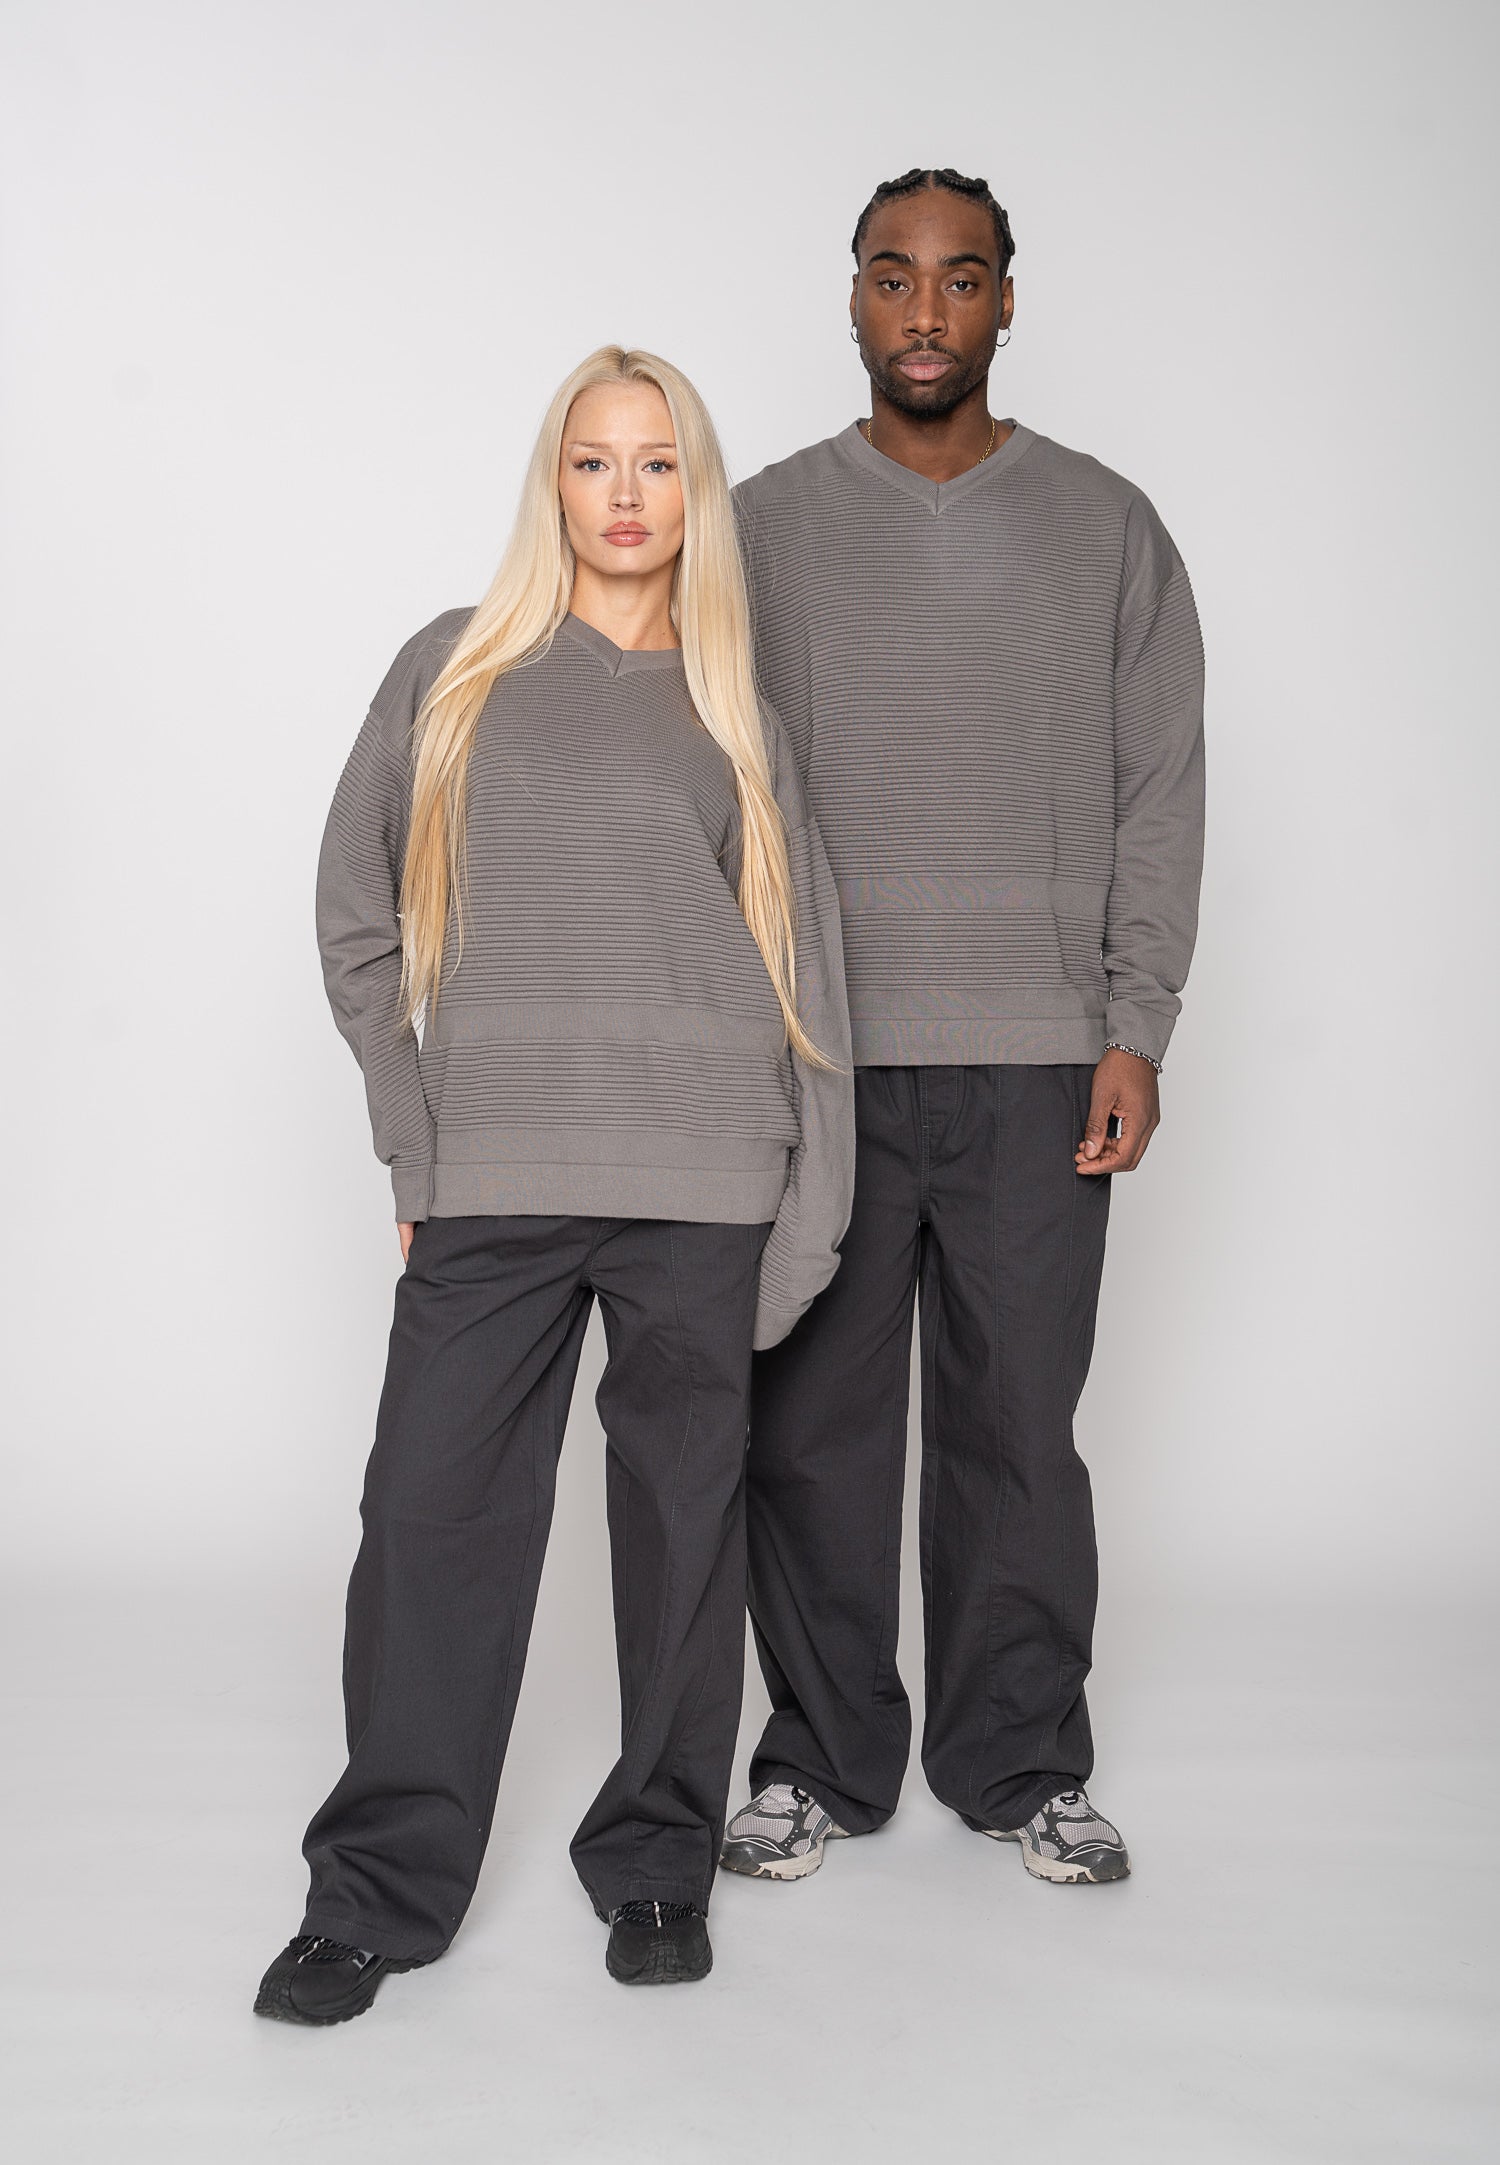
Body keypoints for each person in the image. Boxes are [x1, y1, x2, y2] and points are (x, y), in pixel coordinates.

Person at [254, 346, 853, 2024]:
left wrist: (809, 1217)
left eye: (658, 463)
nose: (626, 494)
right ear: (555, 482)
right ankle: (375, 1891)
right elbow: (355, 912)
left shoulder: (737, 712)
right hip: (496, 1169)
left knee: (681, 1532)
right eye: (595, 461)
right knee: (427, 1518)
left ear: (695, 490)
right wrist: (414, 1133)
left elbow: (808, 978)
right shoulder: (454, 667)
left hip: (705, 1178)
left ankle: (658, 1860)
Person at [721, 169, 1205, 1888]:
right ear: (851, 297)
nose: (925, 310)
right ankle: (818, 1757)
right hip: (825, 1057)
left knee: (1018, 1432)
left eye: (961, 277)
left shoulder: (1110, 527)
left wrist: (1137, 1021)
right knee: (812, 1432)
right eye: (893, 275)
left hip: (1041, 1058)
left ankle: (1019, 1760)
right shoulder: (760, 527)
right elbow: (709, 785)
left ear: (1007, 299)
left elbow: (1160, 792)